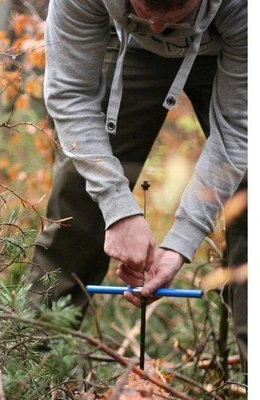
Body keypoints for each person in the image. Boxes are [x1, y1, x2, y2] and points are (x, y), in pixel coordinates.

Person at [26, 0, 247, 374]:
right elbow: (70, 94)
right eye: (148, 10)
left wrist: (182, 240)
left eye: (173, 16)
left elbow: (241, 129)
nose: (158, 28)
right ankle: (30, 366)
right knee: (80, 190)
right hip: (126, 42)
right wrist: (117, 208)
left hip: (233, 44)